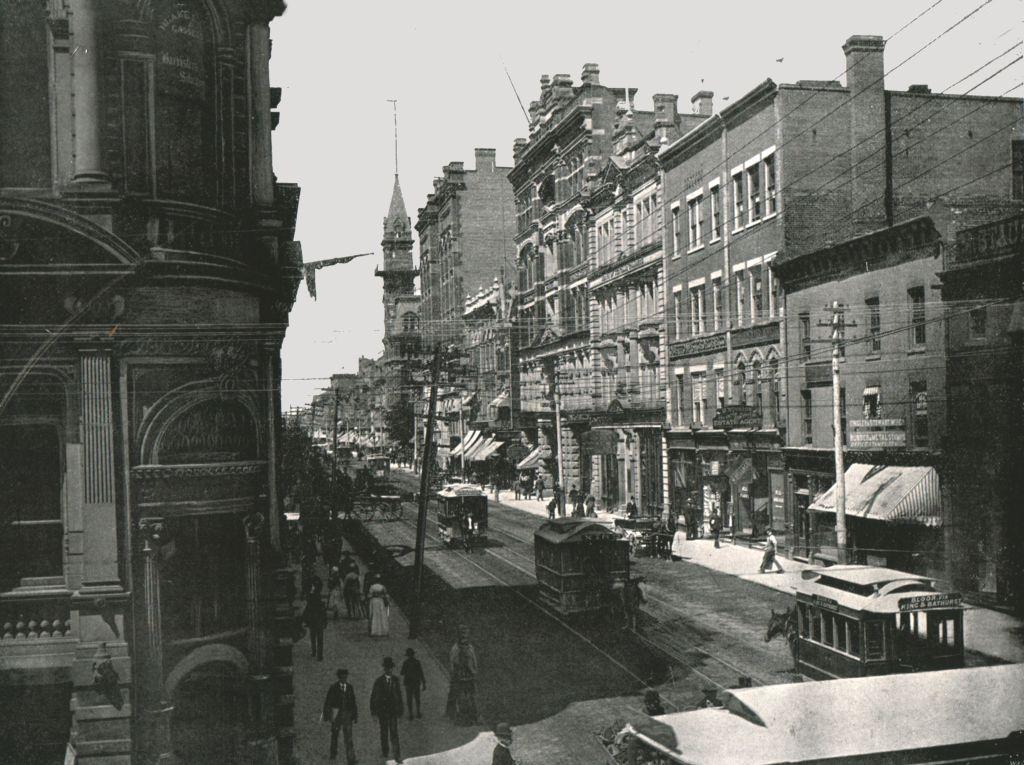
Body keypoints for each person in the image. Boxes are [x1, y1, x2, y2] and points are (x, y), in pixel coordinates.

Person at [369, 657, 403, 763]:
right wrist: (373, 712)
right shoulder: (379, 681)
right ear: (384, 669)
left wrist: (400, 710)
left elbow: (399, 695)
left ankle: (397, 755)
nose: (389, 670)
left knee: (394, 733)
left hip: (392, 712)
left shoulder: (396, 680)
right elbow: (373, 696)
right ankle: (385, 751)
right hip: (383, 712)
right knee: (384, 732)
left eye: (390, 668)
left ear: (392, 669)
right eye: (387, 668)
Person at [322, 668, 358, 763]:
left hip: (347, 714)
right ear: (339, 677)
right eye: (342, 677)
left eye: (345, 677)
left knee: (348, 737)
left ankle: (351, 758)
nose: (344, 679)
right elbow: (328, 702)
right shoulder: (333, 688)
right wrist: (327, 714)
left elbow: (353, 702)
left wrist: (355, 715)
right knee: (335, 735)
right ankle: (333, 754)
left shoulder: (350, 687)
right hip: (336, 713)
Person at [446, 626, 478, 725]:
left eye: (467, 635)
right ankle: (461, 718)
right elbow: (453, 663)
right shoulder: (456, 649)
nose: (465, 638)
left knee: (469, 697)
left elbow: (473, 660)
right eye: (463, 635)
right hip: (461, 676)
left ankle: (471, 717)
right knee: (462, 697)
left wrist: (474, 670)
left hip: (467, 676)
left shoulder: (470, 647)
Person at [303, 580, 327, 661]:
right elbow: (324, 612)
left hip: (312, 620)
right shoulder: (320, 602)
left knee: (313, 636)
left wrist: (305, 621)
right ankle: (319, 655)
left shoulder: (310, 601)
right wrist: (325, 622)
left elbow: (306, 612)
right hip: (319, 620)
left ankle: (314, 651)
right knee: (320, 638)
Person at [400, 648, 426, 720]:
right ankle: (418, 712)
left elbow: (402, 672)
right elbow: (421, 673)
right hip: (416, 682)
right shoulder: (417, 662)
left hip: (408, 683)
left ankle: (411, 714)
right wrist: (424, 683)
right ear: (413, 655)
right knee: (417, 698)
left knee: (409, 699)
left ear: (408, 655)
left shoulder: (405, 663)